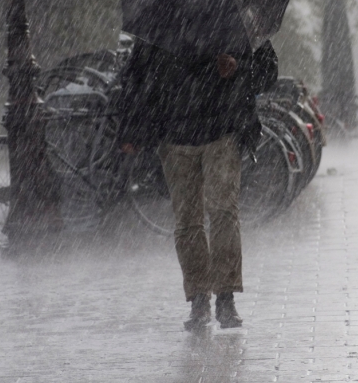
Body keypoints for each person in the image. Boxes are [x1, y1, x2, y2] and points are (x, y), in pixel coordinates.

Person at [118, 36, 278, 330]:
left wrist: (239, 68)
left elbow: (267, 72)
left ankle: (225, 297)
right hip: (174, 135)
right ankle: (199, 299)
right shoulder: (160, 25)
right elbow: (136, 77)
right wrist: (131, 130)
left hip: (223, 130)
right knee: (187, 220)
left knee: (223, 212)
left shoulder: (235, 21)